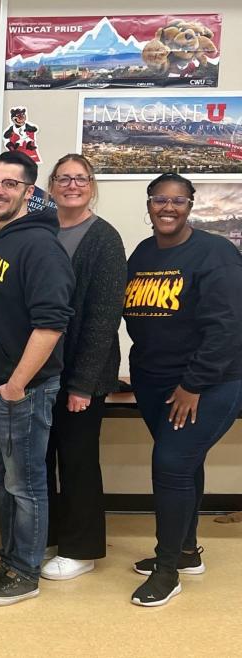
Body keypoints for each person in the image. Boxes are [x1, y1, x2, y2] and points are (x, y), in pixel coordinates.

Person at [0, 151, 74, 606]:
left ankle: (25, 572)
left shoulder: (41, 246)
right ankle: (9, 558)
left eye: (11, 184)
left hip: (20, 389)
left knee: (24, 482)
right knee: (3, 480)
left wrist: (17, 384)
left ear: (29, 192)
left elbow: (51, 324)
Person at [124, 173, 242, 606]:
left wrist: (193, 384)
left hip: (208, 385)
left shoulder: (215, 254)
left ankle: (167, 568)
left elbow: (228, 329)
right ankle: (187, 551)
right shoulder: (142, 253)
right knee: (184, 465)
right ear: (150, 203)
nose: (167, 208)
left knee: (171, 464)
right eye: (159, 199)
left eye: (178, 200)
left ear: (191, 204)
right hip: (154, 383)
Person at [41, 154, 127, 581]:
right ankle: (53, 535)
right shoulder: (41, 229)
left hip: (80, 374)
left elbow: (103, 317)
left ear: (91, 185)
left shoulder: (104, 238)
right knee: (41, 458)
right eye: (63, 179)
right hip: (41, 371)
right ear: (51, 185)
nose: (71, 185)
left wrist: (82, 383)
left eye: (80, 179)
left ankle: (82, 548)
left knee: (76, 460)